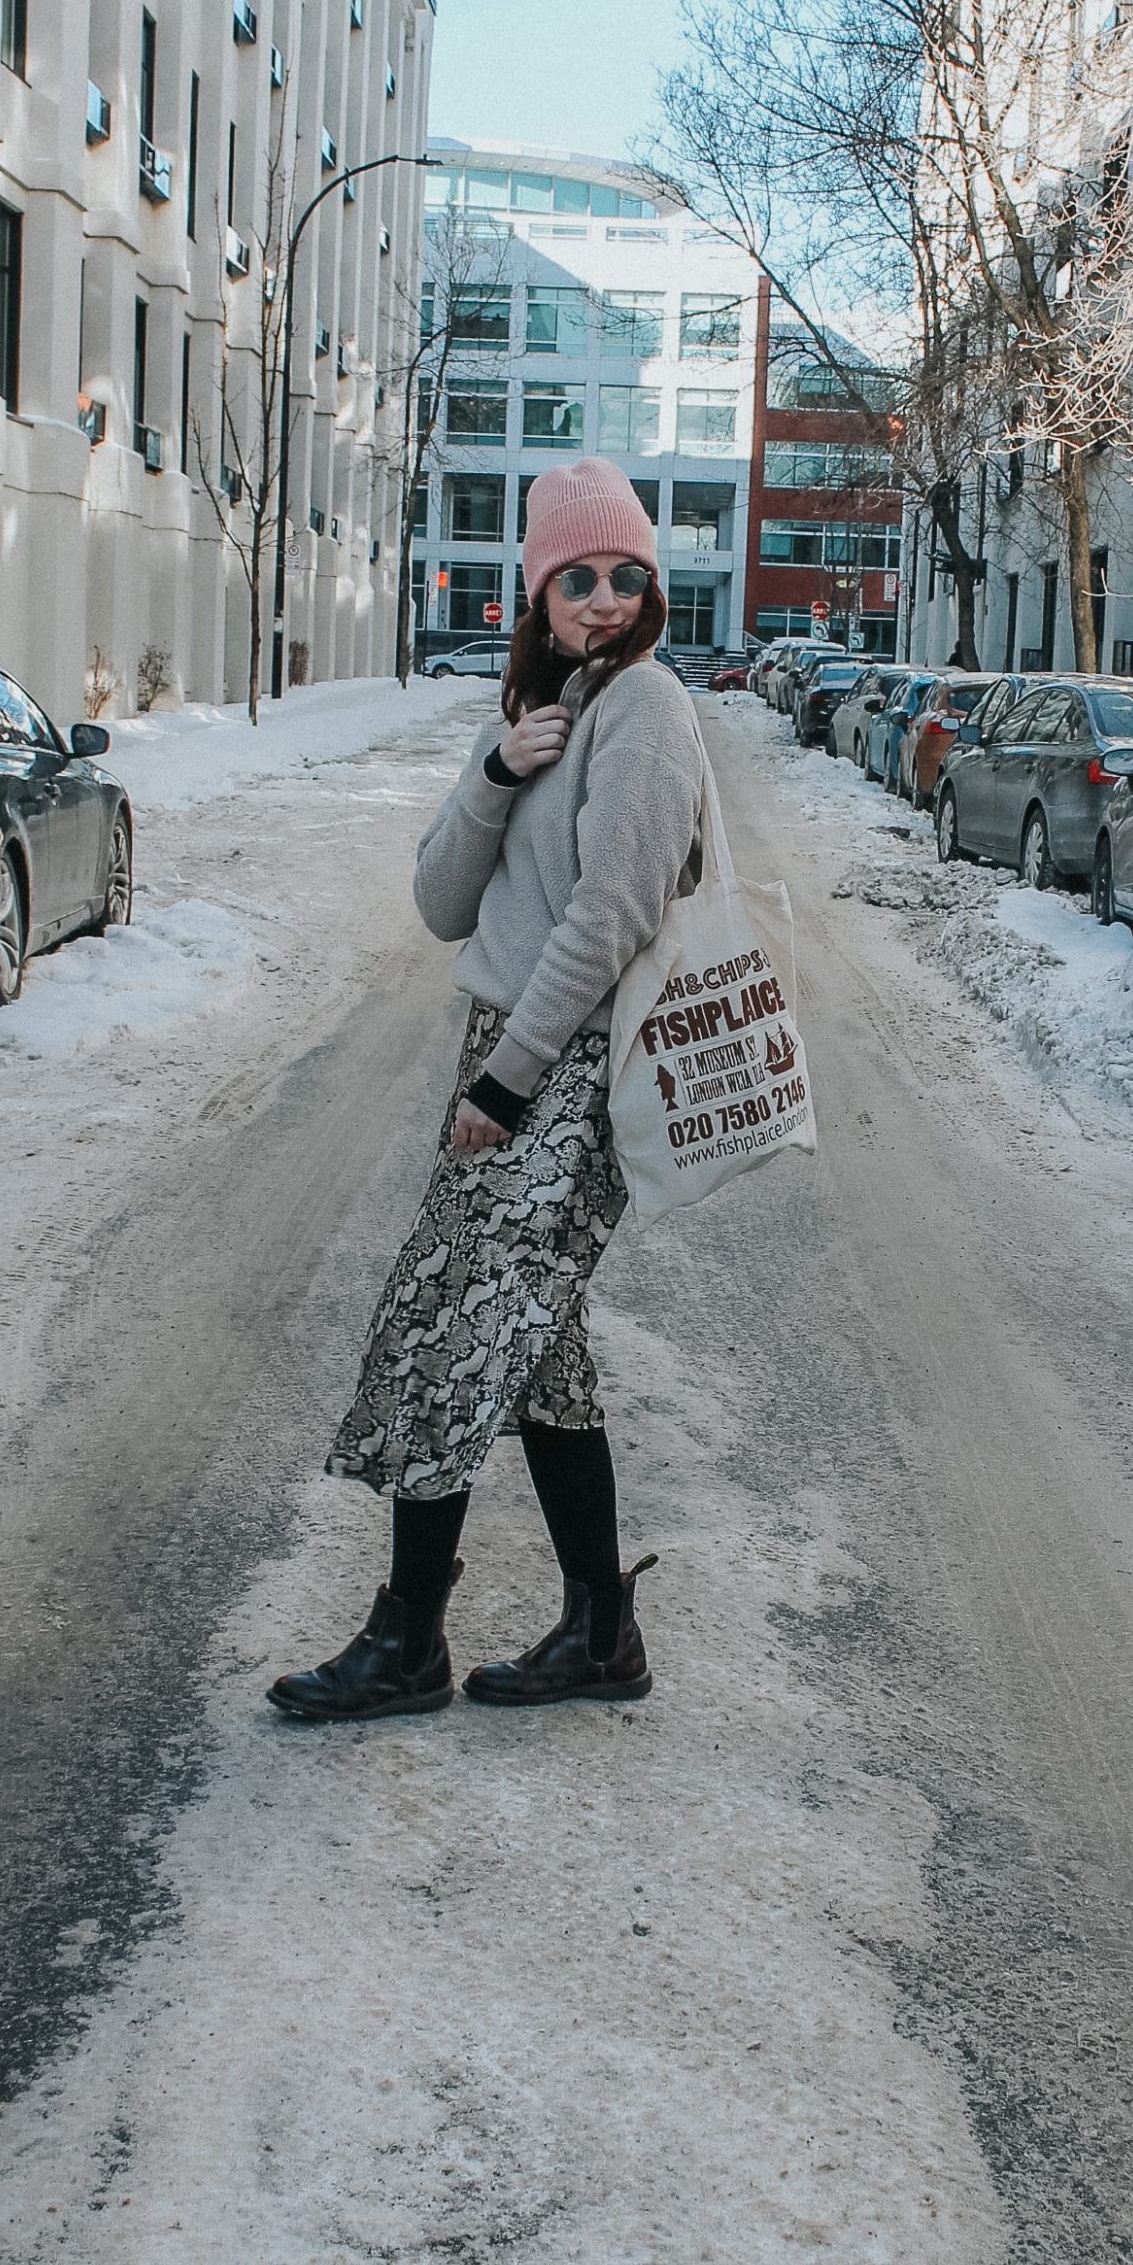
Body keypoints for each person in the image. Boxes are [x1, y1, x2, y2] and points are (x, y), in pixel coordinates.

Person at [269, 456, 706, 1726]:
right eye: (579, 578)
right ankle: (599, 1632)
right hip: (506, 1053)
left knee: (449, 1334)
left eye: (629, 576)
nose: (607, 599)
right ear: (538, 592)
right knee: (534, 1359)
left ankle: (406, 1640)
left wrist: (509, 1088)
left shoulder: (647, 707)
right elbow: (438, 904)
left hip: (557, 1071)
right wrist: (499, 773)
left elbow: (615, 913)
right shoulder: (539, 707)